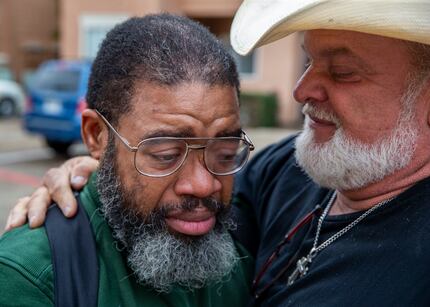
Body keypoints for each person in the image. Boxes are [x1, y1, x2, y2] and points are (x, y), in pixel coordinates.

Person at [6, 0, 430, 306]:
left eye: (342, 72)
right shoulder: (293, 168)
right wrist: (102, 170)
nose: (301, 90)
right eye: (307, 60)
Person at [0, 14, 256, 306]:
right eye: (166, 155)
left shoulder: (238, 246)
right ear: (96, 135)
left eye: (224, 154)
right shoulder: (31, 276)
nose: (203, 185)